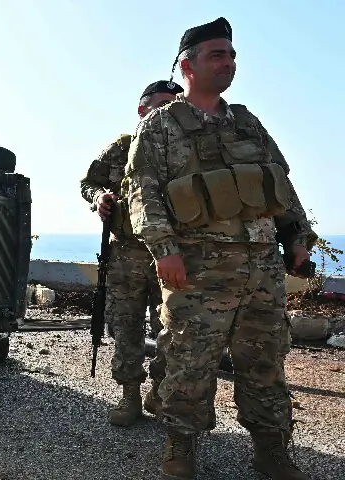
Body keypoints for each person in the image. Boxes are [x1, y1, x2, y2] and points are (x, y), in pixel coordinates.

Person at [122, 17, 314, 480]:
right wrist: (163, 249)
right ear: (188, 66)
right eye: (217, 55)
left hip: (261, 270)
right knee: (188, 360)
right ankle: (180, 448)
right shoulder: (161, 127)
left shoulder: (248, 123)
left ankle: (272, 450)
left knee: (265, 361)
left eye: (231, 55)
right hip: (197, 269)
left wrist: (298, 237)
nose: (228, 63)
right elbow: (142, 193)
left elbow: (279, 184)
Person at [80, 79, 183, 427]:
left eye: (175, 104)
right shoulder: (120, 148)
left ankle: (159, 389)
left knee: (172, 328)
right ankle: (129, 398)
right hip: (125, 254)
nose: (170, 111)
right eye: (162, 104)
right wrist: (99, 198)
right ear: (143, 109)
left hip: (170, 254)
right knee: (125, 328)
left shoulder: (185, 150)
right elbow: (87, 182)